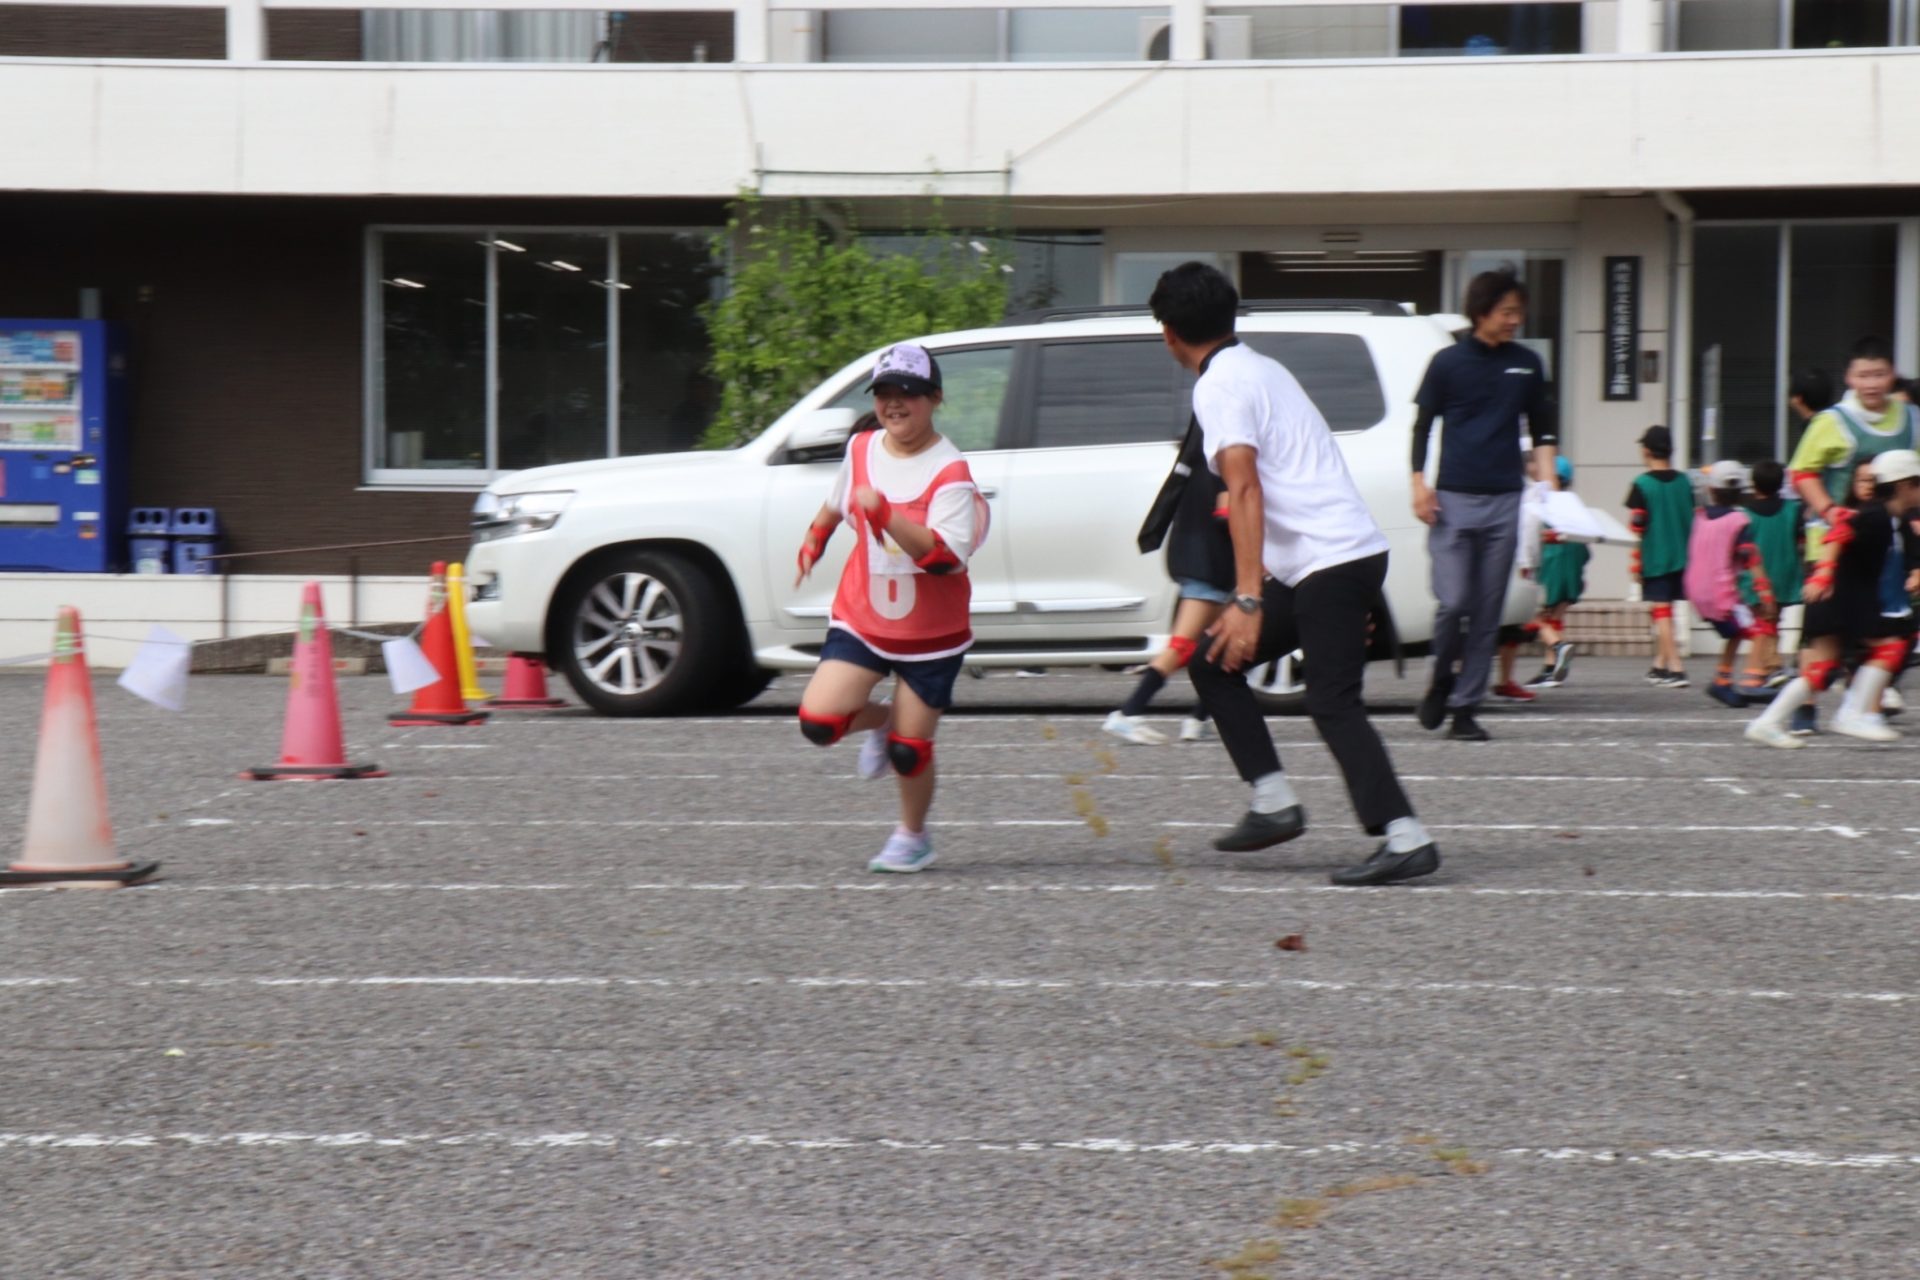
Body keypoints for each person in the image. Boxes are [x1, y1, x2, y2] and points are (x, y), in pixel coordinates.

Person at [1150, 262, 1436, 887]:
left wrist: (1247, 597)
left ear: (1169, 332)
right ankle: (1274, 802)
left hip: (1328, 561)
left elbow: (1244, 484)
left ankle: (1404, 835)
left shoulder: (1219, 385)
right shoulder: (1260, 367)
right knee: (1212, 662)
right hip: (1327, 560)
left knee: (1333, 702)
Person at [792, 343, 989, 873]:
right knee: (819, 723)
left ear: (935, 398)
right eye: (884, 393)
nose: (895, 403)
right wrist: (813, 541)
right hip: (865, 617)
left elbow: (947, 559)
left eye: (909, 392)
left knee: (910, 750)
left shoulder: (951, 473)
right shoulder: (860, 450)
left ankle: (913, 836)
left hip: (933, 632)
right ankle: (880, 721)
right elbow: (836, 505)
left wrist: (886, 517)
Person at [1410, 267, 1559, 743]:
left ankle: (1465, 708)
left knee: (1488, 610)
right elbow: (1422, 426)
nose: (1516, 320)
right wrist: (1419, 484)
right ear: (1482, 313)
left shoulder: (1528, 364)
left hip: (1505, 500)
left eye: (1519, 312)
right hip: (1452, 499)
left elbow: (1543, 431)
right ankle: (1441, 678)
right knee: (1453, 602)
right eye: (1507, 312)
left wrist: (1550, 486)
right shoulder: (1447, 363)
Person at [1746, 449, 1920, 748]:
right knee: (1893, 644)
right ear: (1904, 484)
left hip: (1844, 602)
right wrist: (1823, 573)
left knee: (1823, 670)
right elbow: (1838, 533)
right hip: (1835, 600)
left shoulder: (1896, 520)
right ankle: (1855, 712)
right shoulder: (1874, 516)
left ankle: (1767, 722)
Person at [1107, 416, 1230, 746]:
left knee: (1218, 645)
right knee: (1184, 646)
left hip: (1199, 562)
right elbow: (1227, 516)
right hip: (1212, 567)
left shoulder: (1195, 461)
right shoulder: (1223, 467)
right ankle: (1129, 713)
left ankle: (1199, 719)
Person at [1788, 337, 1917, 519]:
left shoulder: (1912, 417)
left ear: (1893, 374)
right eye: (1862, 376)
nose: (1871, 384)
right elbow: (1801, 472)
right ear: (1848, 377)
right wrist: (1829, 510)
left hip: (1899, 535)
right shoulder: (1831, 420)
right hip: (1839, 533)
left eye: (1879, 375)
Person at [1684, 461, 1777, 709]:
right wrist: (1765, 593)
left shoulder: (1700, 517)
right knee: (1760, 629)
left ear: (1711, 490)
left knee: (1736, 632)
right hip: (1720, 595)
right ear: (1741, 492)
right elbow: (1749, 557)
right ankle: (1753, 681)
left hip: (1696, 591)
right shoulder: (1738, 521)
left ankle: (1722, 680)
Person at [1626, 425, 1694, 687]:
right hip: (1683, 554)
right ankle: (1659, 665)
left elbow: (1637, 527)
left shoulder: (1642, 484)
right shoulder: (1684, 481)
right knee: (1668, 611)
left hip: (1655, 556)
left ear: (1646, 451)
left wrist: (1634, 562)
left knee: (1662, 611)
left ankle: (1676, 668)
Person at [1740, 459, 1804, 697]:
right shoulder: (1793, 509)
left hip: (1756, 577)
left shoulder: (1745, 513)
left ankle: (1772, 668)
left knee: (1764, 622)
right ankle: (1761, 671)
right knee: (1771, 621)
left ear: (1753, 483)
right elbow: (1800, 542)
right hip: (1785, 573)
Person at [1524, 454, 1587, 689]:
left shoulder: (1545, 503)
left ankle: (1559, 646)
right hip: (1574, 565)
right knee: (1555, 616)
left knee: (1533, 615)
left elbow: (1532, 537)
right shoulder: (1573, 502)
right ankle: (1551, 668)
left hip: (1552, 562)